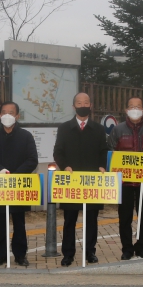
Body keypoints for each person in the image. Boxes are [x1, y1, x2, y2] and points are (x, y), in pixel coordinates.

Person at [53, 92, 109, 266]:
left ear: (90, 105)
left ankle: (90, 252)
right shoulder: (64, 128)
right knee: (69, 220)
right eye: (79, 102)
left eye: (86, 102)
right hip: (72, 182)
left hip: (92, 182)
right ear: (73, 106)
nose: (82, 105)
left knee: (91, 219)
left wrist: (102, 166)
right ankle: (68, 254)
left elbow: (104, 152)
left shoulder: (99, 129)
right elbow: (58, 152)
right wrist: (64, 166)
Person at [0, 102, 39, 267]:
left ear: (17, 116)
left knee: (19, 222)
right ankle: (0, 255)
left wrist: (16, 175)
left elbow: (32, 160)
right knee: (0, 222)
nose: (7, 115)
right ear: (0, 115)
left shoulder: (26, 136)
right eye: (4, 112)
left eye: (11, 112)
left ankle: (20, 255)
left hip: (19, 185)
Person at [108, 97, 143, 260]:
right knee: (124, 217)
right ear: (126, 110)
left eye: (138, 106)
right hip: (124, 182)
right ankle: (127, 248)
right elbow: (110, 154)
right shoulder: (117, 130)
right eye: (131, 106)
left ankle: (141, 246)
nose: (135, 109)